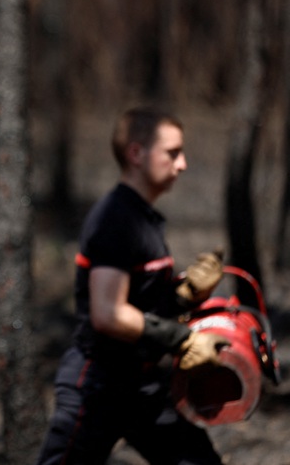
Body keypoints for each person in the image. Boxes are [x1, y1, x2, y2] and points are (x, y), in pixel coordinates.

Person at [34, 107, 229, 465]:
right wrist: (183, 340)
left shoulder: (143, 217)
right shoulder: (115, 219)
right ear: (136, 154)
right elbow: (108, 314)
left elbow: (140, 301)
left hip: (143, 387)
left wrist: (184, 294)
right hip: (96, 387)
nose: (182, 164)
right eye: (172, 153)